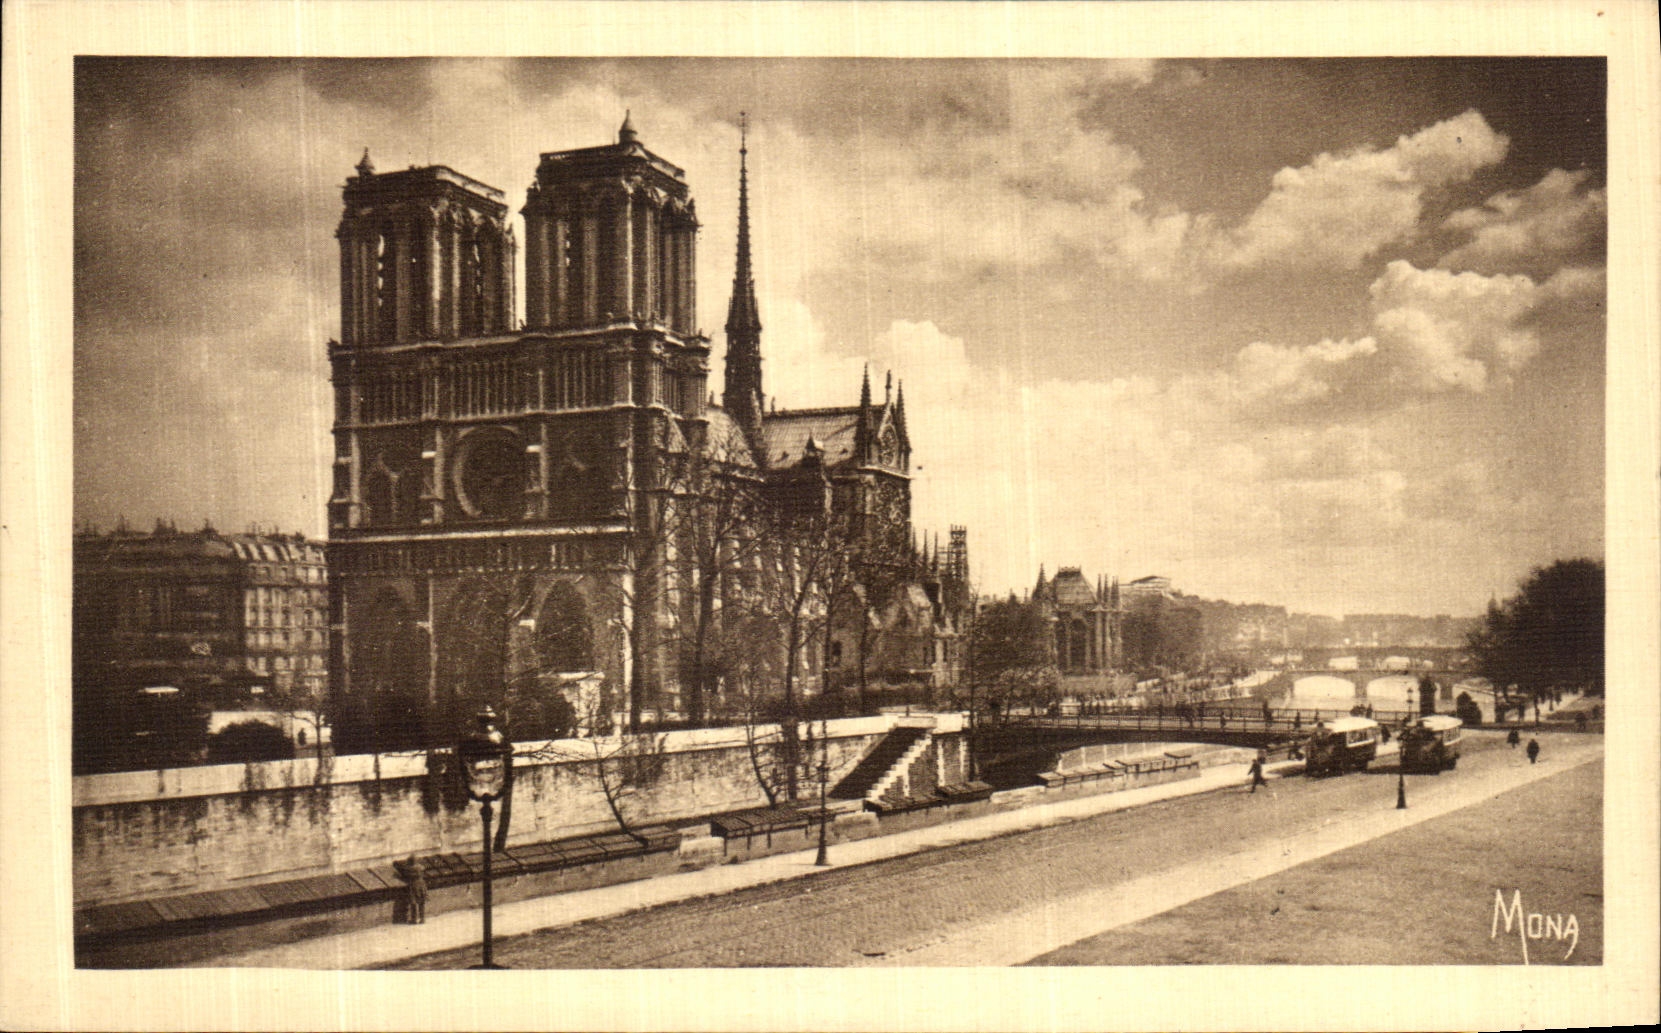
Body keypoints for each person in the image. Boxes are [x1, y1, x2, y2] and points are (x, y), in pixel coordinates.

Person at [404, 856, 428, 924]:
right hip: (422, 884)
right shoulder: (420, 867)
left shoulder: (410, 868)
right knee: (421, 903)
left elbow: (406, 873)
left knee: (413, 903)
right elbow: (423, 869)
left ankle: (414, 919)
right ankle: (422, 919)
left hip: (414, 885)